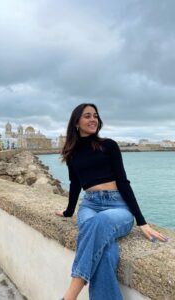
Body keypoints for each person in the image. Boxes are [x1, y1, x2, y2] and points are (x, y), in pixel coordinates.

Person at [55, 103, 168, 300]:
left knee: (98, 224)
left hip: (118, 206)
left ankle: (69, 296)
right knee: (105, 254)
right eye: (87, 116)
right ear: (76, 122)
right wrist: (68, 211)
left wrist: (141, 221)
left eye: (95, 116)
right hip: (89, 204)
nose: (93, 119)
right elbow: (75, 185)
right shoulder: (72, 153)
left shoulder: (109, 145)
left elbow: (123, 182)